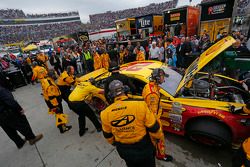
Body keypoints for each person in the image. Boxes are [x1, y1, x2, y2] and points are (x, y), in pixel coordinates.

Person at [101, 80, 164, 167]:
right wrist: (157, 139)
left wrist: (117, 144)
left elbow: (108, 136)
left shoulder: (105, 113)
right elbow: (154, 127)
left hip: (124, 150)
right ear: (125, 90)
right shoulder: (140, 105)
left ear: (110, 95)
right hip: (144, 148)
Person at [142, 68, 173, 162]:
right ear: (157, 78)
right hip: (153, 120)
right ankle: (160, 155)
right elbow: (152, 114)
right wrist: (156, 127)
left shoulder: (150, 86)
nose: (164, 79)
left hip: (149, 117)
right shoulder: (153, 94)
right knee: (159, 138)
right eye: (163, 77)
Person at [0, 84, 43, 149]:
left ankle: (19, 143)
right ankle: (31, 138)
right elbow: (9, 100)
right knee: (22, 124)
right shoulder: (1, 90)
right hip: (8, 112)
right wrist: (19, 108)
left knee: (9, 130)